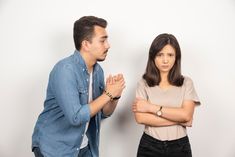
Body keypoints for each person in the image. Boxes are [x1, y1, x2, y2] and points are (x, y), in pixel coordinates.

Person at [32, 16, 125, 157]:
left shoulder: (98, 71)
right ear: (86, 44)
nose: (108, 45)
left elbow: (103, 113)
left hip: (84, 146)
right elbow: (75, 117)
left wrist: (115, 95)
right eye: (103, 40)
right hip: (55, 148)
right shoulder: (64, 70)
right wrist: (108, 94)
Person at [132, 33, 200, 157]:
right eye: (160, 55)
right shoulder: (143, 83)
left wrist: (150, 108)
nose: (165, 60)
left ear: (176, 57)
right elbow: (141, 118)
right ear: (153, 57)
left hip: (180, 146)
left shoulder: (186, 83)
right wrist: (179, 119)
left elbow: (186, 115)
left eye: (170, 55)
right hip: (149, 145)